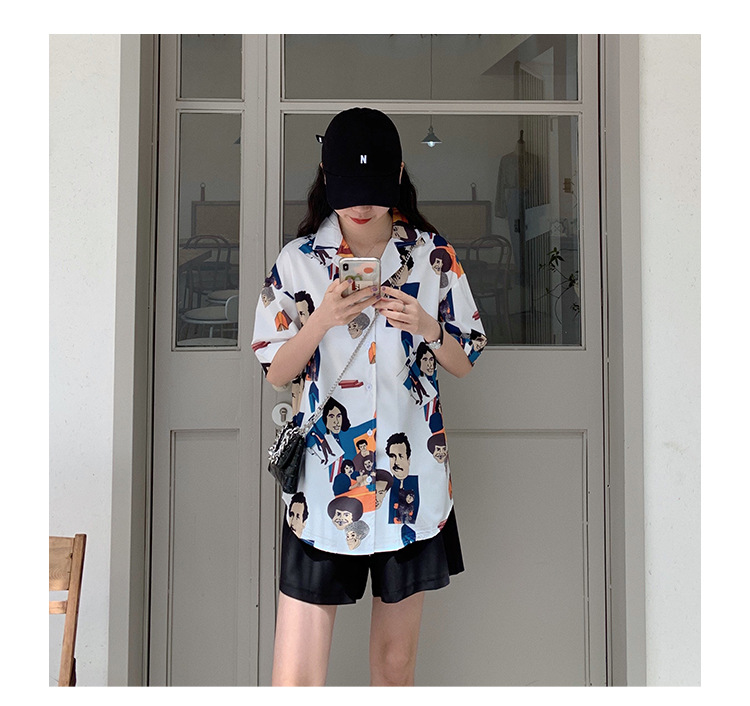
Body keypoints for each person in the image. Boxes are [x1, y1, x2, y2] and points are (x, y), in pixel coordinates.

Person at [252, 107, 486, 686]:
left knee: (394, 668)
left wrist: (426, 325)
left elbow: (465, 359)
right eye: (349, 191)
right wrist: (321, 320)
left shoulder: (432, 256)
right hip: (325, 486)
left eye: (374, 192)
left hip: (410, 482)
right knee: (296, 676)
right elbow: (276, 371)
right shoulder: (298, 262)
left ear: (398, 174)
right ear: (326, 178)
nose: (361, 207)